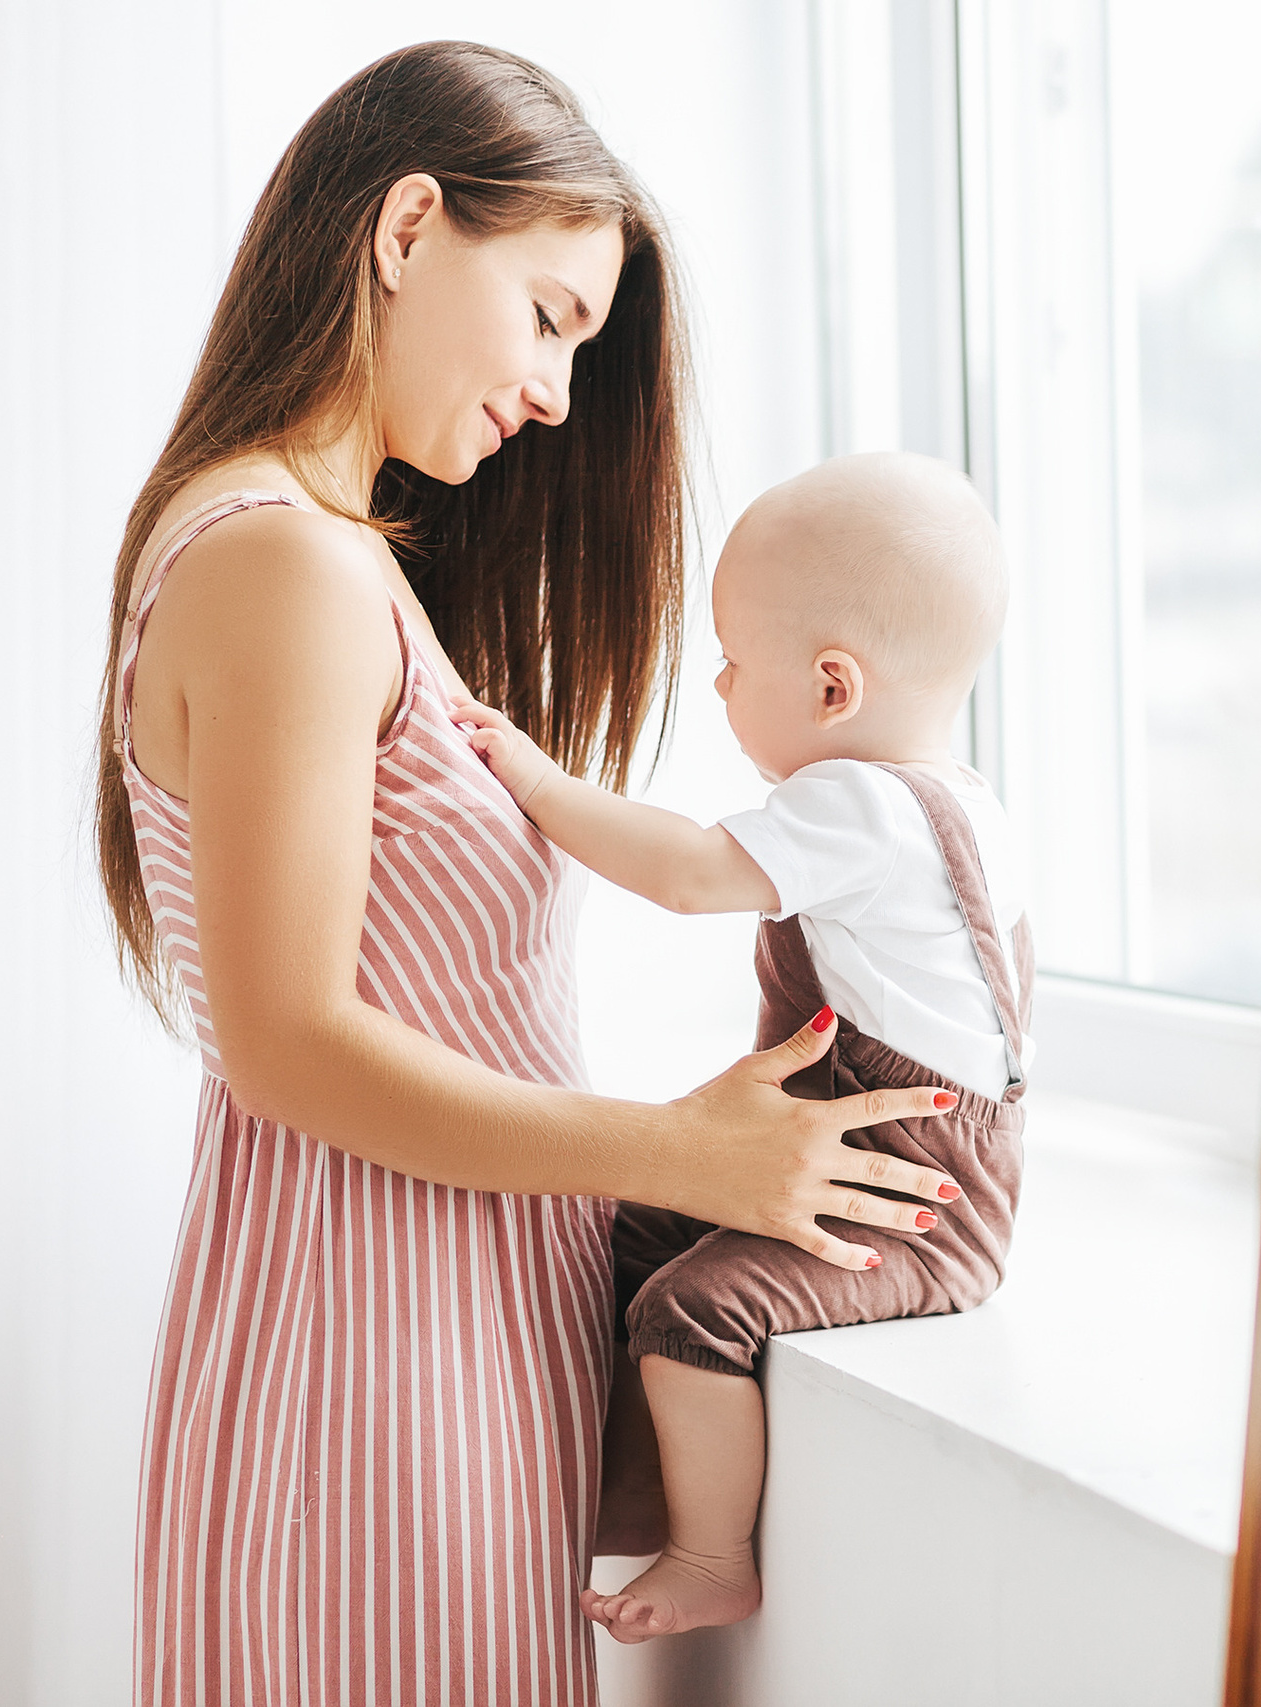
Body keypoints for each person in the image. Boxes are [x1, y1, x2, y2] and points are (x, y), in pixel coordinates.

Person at [96, 45, 964, 1706]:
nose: (564, 394)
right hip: (364, 1365)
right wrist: (680, 1152)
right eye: (555, 315)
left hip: (416, 1343)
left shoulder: (323, 557)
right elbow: (285, 1041)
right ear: (410, 227)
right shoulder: (284, 560)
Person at [455, 452, 1032, 1641]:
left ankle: (711, 1556)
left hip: (907, 1197)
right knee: (614, 1236)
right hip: (892, 1157)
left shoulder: (862, 806)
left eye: (730, 661)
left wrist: (531, 777)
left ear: (832, 687)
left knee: (690, 1311)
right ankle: (578, 1487)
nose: (717, 682)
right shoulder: (963, 800)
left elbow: (684, 875)